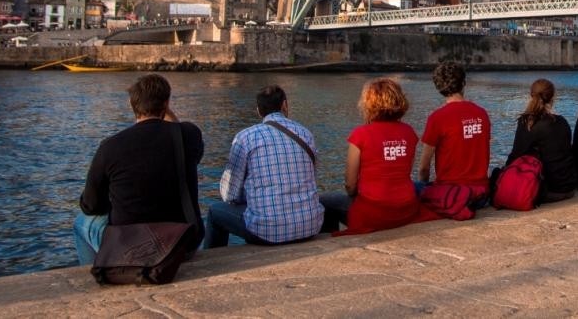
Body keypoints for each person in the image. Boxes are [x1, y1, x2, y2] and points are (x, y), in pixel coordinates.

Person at [74, 74, 204, 265]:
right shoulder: (189, 135)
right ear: (167, 103)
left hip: (130, 248)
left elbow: (91, 206)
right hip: (181, 244)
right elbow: (179, 130)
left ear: (131, 104)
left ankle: (100, 270)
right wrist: (166, 110)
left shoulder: (110, 147)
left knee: (81, 223)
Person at [205, 85, 323, 248]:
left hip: (267, 232)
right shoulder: (305, 134)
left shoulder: (245, 137)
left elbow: (229, 195)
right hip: (310, 226)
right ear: (285, 105)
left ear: (259, 111)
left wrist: (251, 195)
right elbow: (310, 178)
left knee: (215, 212)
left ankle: (213, 264)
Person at [320, 78, 438, 235]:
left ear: (369, 104)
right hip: (406, 210)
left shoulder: (360, 135)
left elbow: (350, 184)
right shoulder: (409, 132)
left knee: (323, 201)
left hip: (374, 213)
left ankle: (331, 243)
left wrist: (357, 196)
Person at [418, 61, 491, 194]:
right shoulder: (482, 114)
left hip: (450, 193)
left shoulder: (437, 118)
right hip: (481, 192)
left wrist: (424, 188)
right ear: (463, 83)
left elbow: (424, 167)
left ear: (439, 88)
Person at [503, 78, 576, 203]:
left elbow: (516, 155)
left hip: (547, 189)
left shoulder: (528, 123)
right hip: (568, 186)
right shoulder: (562, 122)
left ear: (531, 96)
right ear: (553, 98)